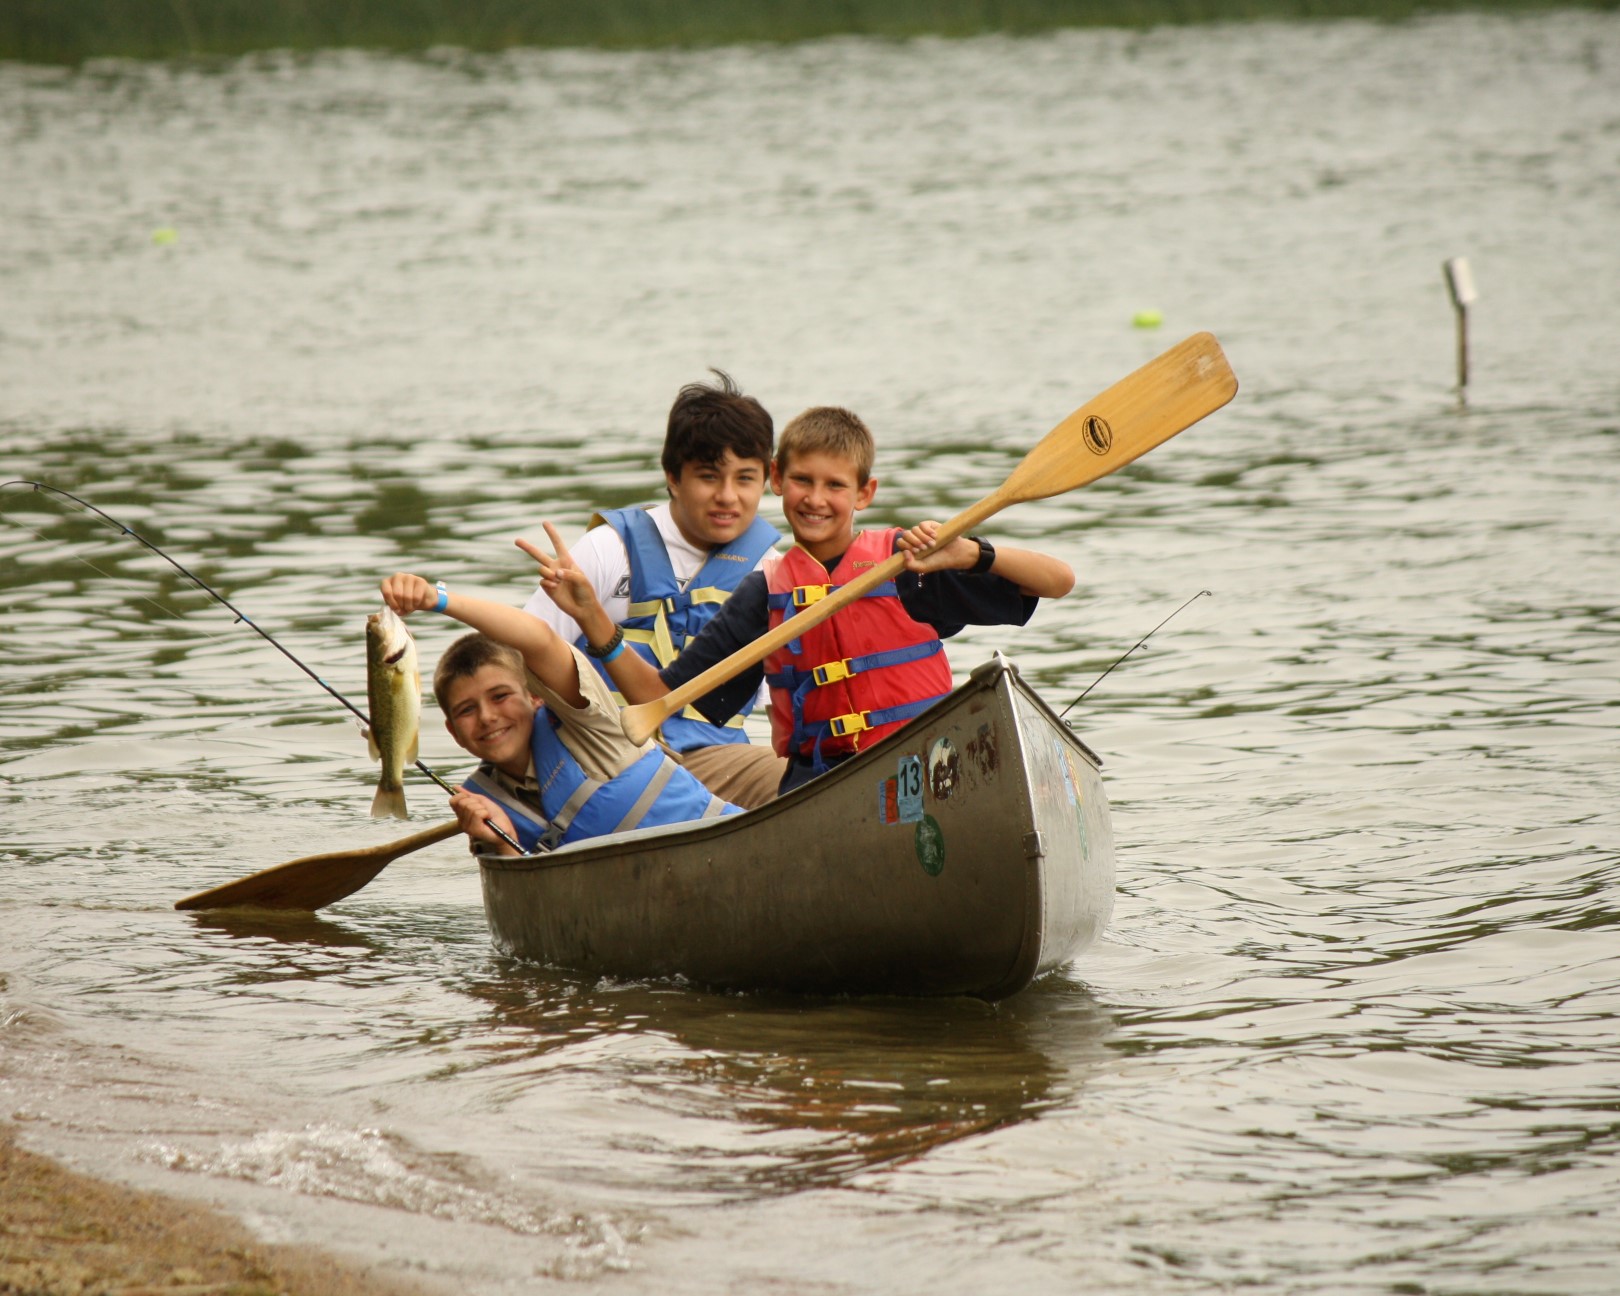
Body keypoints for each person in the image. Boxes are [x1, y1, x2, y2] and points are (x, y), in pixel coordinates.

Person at [528, 404, 1075, 797]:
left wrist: (972, 554)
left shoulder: (912, 566)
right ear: (776, 481)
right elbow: (658, 697)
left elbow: (1057, 581)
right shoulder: (763, 594)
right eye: (801, 481)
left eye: (835, 486)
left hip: (922, 768)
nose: (816, 499)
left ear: (865, 493)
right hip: (821, 785)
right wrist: (591, 615)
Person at [522, 370, 786, 810]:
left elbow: (782, 703)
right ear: (672, 477)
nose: (728, 497)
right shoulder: (610, 549)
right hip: (607, 762)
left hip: (715, 764)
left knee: (800, 777)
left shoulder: (771, 569)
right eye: (708, 477)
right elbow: (524, 655)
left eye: (744, 478)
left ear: (767, 479)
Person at [378, 572, 741, 857]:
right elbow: (522, 902)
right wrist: (501, 842)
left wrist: (437, 599)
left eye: (500, 696)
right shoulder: (479, 804)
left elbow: (539, 639)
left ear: (536, 696)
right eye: (467, 710)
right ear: (454, 733)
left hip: (726, 846)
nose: (488, 717)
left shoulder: (585, 722)